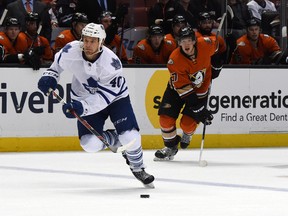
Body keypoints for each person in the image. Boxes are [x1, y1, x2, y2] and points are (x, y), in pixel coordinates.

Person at [37, 23, 155, 188]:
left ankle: (138, 167)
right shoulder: (71, 50)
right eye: (86, 40)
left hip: (115, 99)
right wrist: (50, 76)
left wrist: (81, 107)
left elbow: (104, 98)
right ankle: (115, 139)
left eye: (93, 41)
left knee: (130, 136)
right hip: (84, 96)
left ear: (101, 42)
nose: (88, 45)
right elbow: (56, 66)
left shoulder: (111, 63)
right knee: (89, 144)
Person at [154, 27, 215, 161]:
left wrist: (218, 64)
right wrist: (200, 110)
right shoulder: (174, 60)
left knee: (187, 124)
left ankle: (188, 133)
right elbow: (184, 90)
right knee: (165, 120)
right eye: (183, 41)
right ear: (179, 42)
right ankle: (170, 147)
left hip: (200, 90)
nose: (186, 44)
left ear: (194, 41)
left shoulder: (206, 44)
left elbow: (221, 44)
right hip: (177, 91)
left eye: (189, 40)